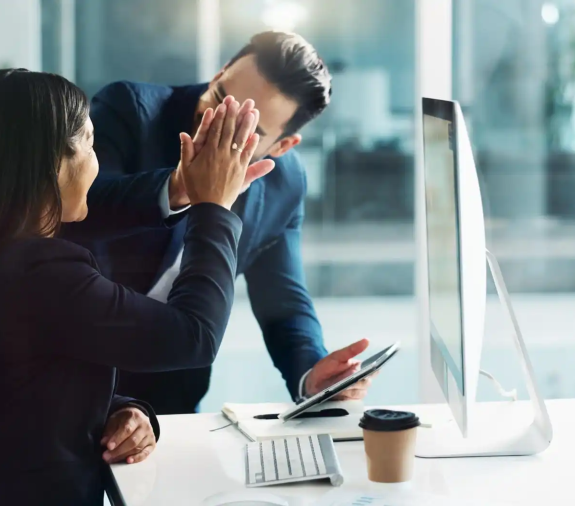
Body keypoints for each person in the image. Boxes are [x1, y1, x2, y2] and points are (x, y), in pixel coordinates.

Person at [0, 68, 267, 505]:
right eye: (91, 143)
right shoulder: (41, 274)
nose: (97, 165)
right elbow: (193, 337)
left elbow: (24, 389)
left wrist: (127, 411)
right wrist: (214, 208)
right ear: (51, 160)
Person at [62, 31, 376, 415]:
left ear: (281, 146)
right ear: (219, 73)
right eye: (219, 101)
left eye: (245, 130)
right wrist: (182, 187)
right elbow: (79, 208)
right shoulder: (130, 108)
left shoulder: (284, 182)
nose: (215, 128)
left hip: (169, 397)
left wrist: (312, 374)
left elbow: (284, 301)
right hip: (69, 381)